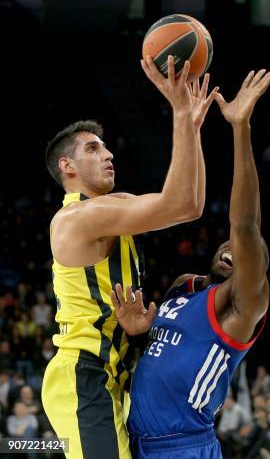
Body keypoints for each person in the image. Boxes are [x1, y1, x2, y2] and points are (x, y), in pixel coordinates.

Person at [41, 56, 217, 459]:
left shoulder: (112, 206)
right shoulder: (77, 218)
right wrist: (178, 111)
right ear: (67, 167)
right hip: (85, 374)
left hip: (116, 374)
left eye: (105, 147)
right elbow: (177, 202)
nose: (108, 155)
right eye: (93, 148)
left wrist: (191, 127)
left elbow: (190, 203)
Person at [116, 69, 270, 459]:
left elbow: (246, 225)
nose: (232, 251)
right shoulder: (184, 287)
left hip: (183, 446)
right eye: (228, 245)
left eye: (244, 254)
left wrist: (240, 128)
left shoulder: (241, 305)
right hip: (135, 441)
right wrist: (140, 333)